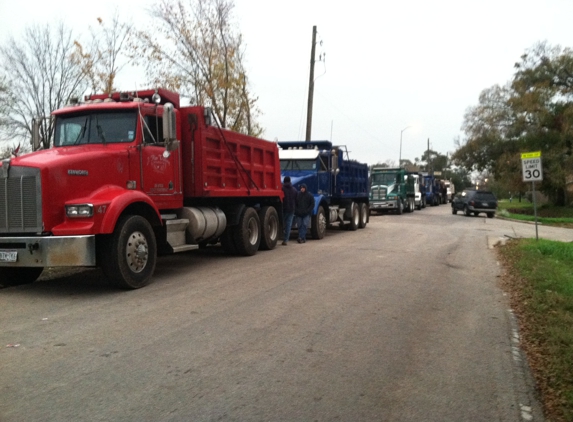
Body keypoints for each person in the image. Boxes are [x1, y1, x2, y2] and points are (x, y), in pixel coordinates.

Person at [281, 176, 298, 245]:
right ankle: (286, 240)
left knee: (282, 223)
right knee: (289, 225)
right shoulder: (294, 190)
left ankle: (280, 236)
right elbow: (296, 200)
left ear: (284, 181)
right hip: (291, 209)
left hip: (284, 209)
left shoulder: (282, 189)